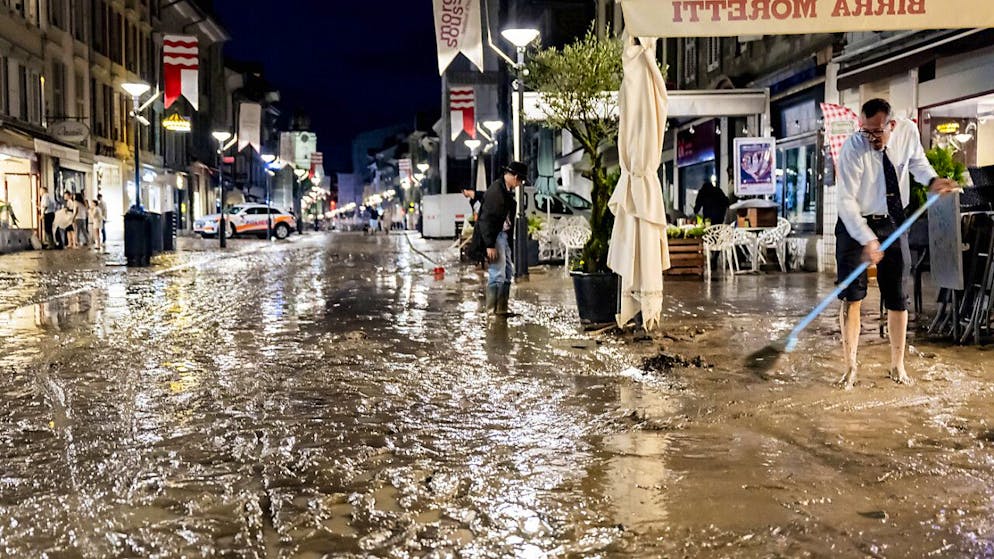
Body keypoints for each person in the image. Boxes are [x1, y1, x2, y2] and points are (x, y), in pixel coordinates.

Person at [835, 98, 957, 389]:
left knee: (897, 295)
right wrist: (868, 239)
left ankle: (897, 365)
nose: (871, 138)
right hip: (855, 222)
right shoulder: (853, 148)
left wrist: (932, 181)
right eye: (865, 131)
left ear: (891, 124)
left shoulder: (907, 132)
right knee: (852, 296)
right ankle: (851, 366)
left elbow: (917, 163)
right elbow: (846, 203)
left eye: (877, 132)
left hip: (892, 218)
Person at [477, 161, 527, 316]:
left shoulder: (504, 190)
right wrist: (489, 244)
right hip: (496, 236)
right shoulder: (496, 191)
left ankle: (502, 309)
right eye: (521, 181)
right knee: (497, 273)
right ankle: (493, 311)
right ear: (516, 177)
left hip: (503, 235)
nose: (520, 184)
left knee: (506, 271)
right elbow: (486, 219)